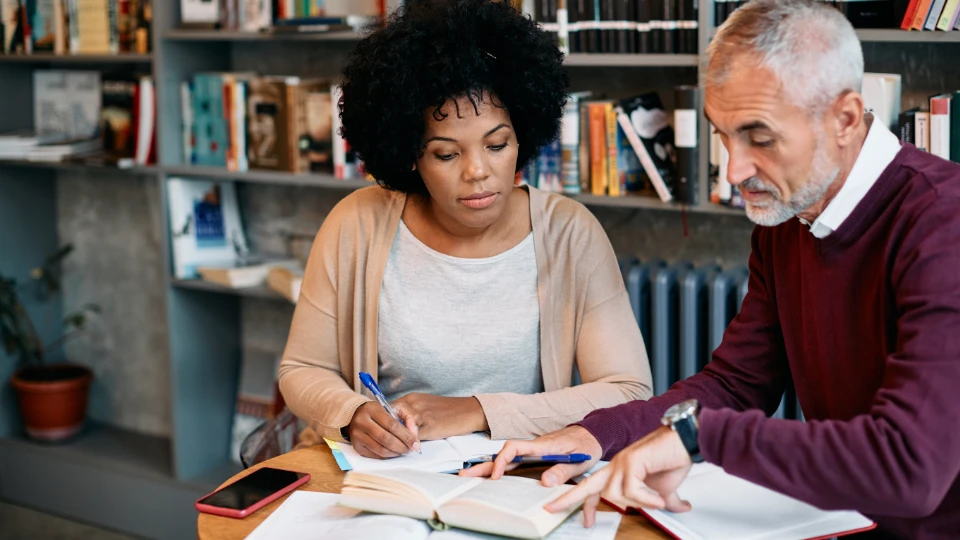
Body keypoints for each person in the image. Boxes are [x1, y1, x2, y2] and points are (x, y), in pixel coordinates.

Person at [463, 1, 960, 537]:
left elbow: (910, 467)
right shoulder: (785, 222)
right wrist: (595, 434)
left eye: (760, 138)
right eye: (723, 135)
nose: (734, 170)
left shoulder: (944, 224)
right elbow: (737, 382)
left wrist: (700, 435)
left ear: (843, 118)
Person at [277, 0, 653, 460]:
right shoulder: (357, 224)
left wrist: (473, 410)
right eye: (446, 154)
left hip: (511, 476)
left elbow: (628, 391)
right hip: (384, 476)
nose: (478, 171)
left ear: (523, 136)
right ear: (410, 155)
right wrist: (353, 412)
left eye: (497, 145)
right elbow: (302, 368)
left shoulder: (570, 233)